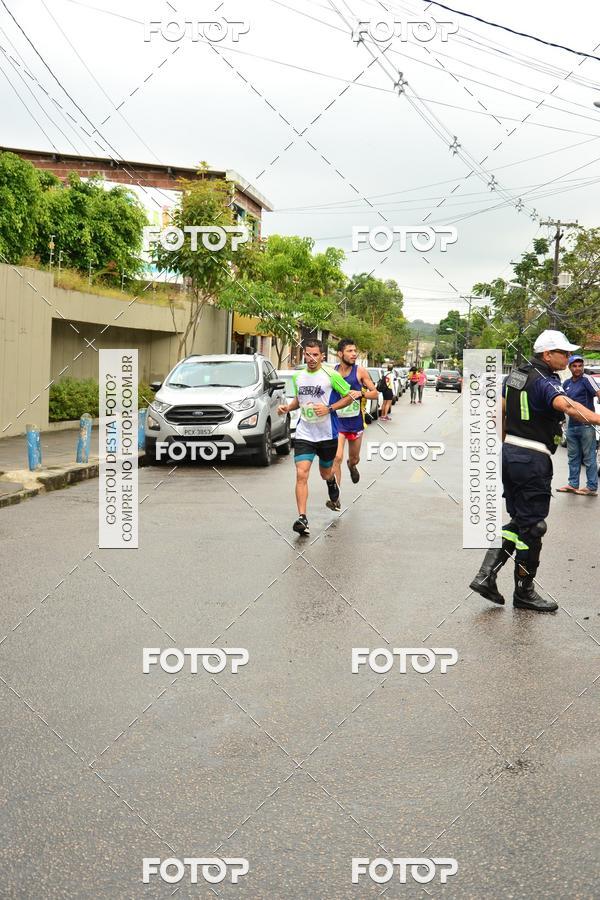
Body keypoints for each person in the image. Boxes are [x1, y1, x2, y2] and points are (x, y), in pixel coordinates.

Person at [469, 330, 600, 612]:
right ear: (547, 354)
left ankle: (486, 576)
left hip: (512, 454)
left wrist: (506, 444)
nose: (567, 357)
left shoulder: (517, 375)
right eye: (563, 353)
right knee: (533, 526)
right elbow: (564, 404)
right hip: (531, 458)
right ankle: (523, 591)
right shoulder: (546, 381)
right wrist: (597, 418)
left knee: (521, 521)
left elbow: (499, 407)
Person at [277, 339, 353, 535]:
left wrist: (329, 408)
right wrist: (287, 407)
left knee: (325, 473)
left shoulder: (331, 375)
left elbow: (349, 396)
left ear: (322, 356)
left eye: (315, 355)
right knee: (301, 474)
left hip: (327, 433)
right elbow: (299, 400)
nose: (311, 358)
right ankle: (302, 518)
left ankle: (331, 483)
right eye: (308, 354)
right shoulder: (299, 377)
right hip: (305, 433)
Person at [330, 339, 379, 486]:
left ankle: (351, 465)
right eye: (349, 351)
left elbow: (375, 393)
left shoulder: (360, 371)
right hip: (338, 422)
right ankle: (335, 496)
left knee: (354, 458)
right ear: (340, 354)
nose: (354, 354)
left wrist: (361, 394)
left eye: (354, 351)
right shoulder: (333, 373)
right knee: (336, 457)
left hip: (355, 423)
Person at [557, 355, 600, 496]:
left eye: (580, 366)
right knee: (573, 457)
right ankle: (573, 484)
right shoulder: (567, 383)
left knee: (589, 458)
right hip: (571, 425)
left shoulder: (587, 379)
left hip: (586, 425)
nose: (577, 368)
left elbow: (598, 392)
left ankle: (592, 487)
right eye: (574, 366)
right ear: (569, 367)